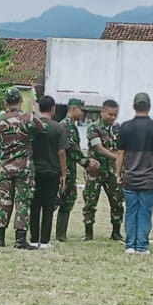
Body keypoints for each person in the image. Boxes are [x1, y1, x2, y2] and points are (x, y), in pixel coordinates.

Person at [116, 91, 153, 254]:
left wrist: (118, 174)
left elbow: (120, 153)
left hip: (130, 177)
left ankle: (130, 245)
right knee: (145, 212)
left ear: (134, 106)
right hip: (149, 178)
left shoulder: (125, 127)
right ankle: (142, 246)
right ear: (149, 106)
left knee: (131, 211)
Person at [0, 86, 35, 248]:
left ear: (5, 102)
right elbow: (41, 129)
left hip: (6, 167)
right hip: (24, 167)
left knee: (4, 201)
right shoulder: (27, 118)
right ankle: (20, 239)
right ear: (21, 100)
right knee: (22, 202)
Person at [81, 98, 125, 242]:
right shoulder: (93, 128)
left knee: (117, 201)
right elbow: (99, 148)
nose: (112, 117)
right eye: (110, 114)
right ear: (102, 112)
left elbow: (122, 148)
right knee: (90, 201)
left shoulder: (117, 129)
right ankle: (88, 233)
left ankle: (116, 232)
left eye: (115, 115)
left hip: (112, 171)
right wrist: (117, 158)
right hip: (96, 170)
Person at [28, 95, 67, 247]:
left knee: (34, 205)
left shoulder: (32, 125)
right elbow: (61, 152)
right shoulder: (58, 127)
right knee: (48, 207)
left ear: (39, 107)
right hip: (52, 171)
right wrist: (63, 174)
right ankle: (45, 240)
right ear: (53, 109)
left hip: (35, 170)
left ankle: (33, 239)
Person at [53, 98, 85, 241]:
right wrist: (87, 163)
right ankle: (40, 231)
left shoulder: (70, 126)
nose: (83, 113)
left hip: (69, 170)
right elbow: (72, 150)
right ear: (73, 109)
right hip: (63, 171)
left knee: (67, 201)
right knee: (55, 201)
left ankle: (61, 234)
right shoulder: (67, 126)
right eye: (81, 110)